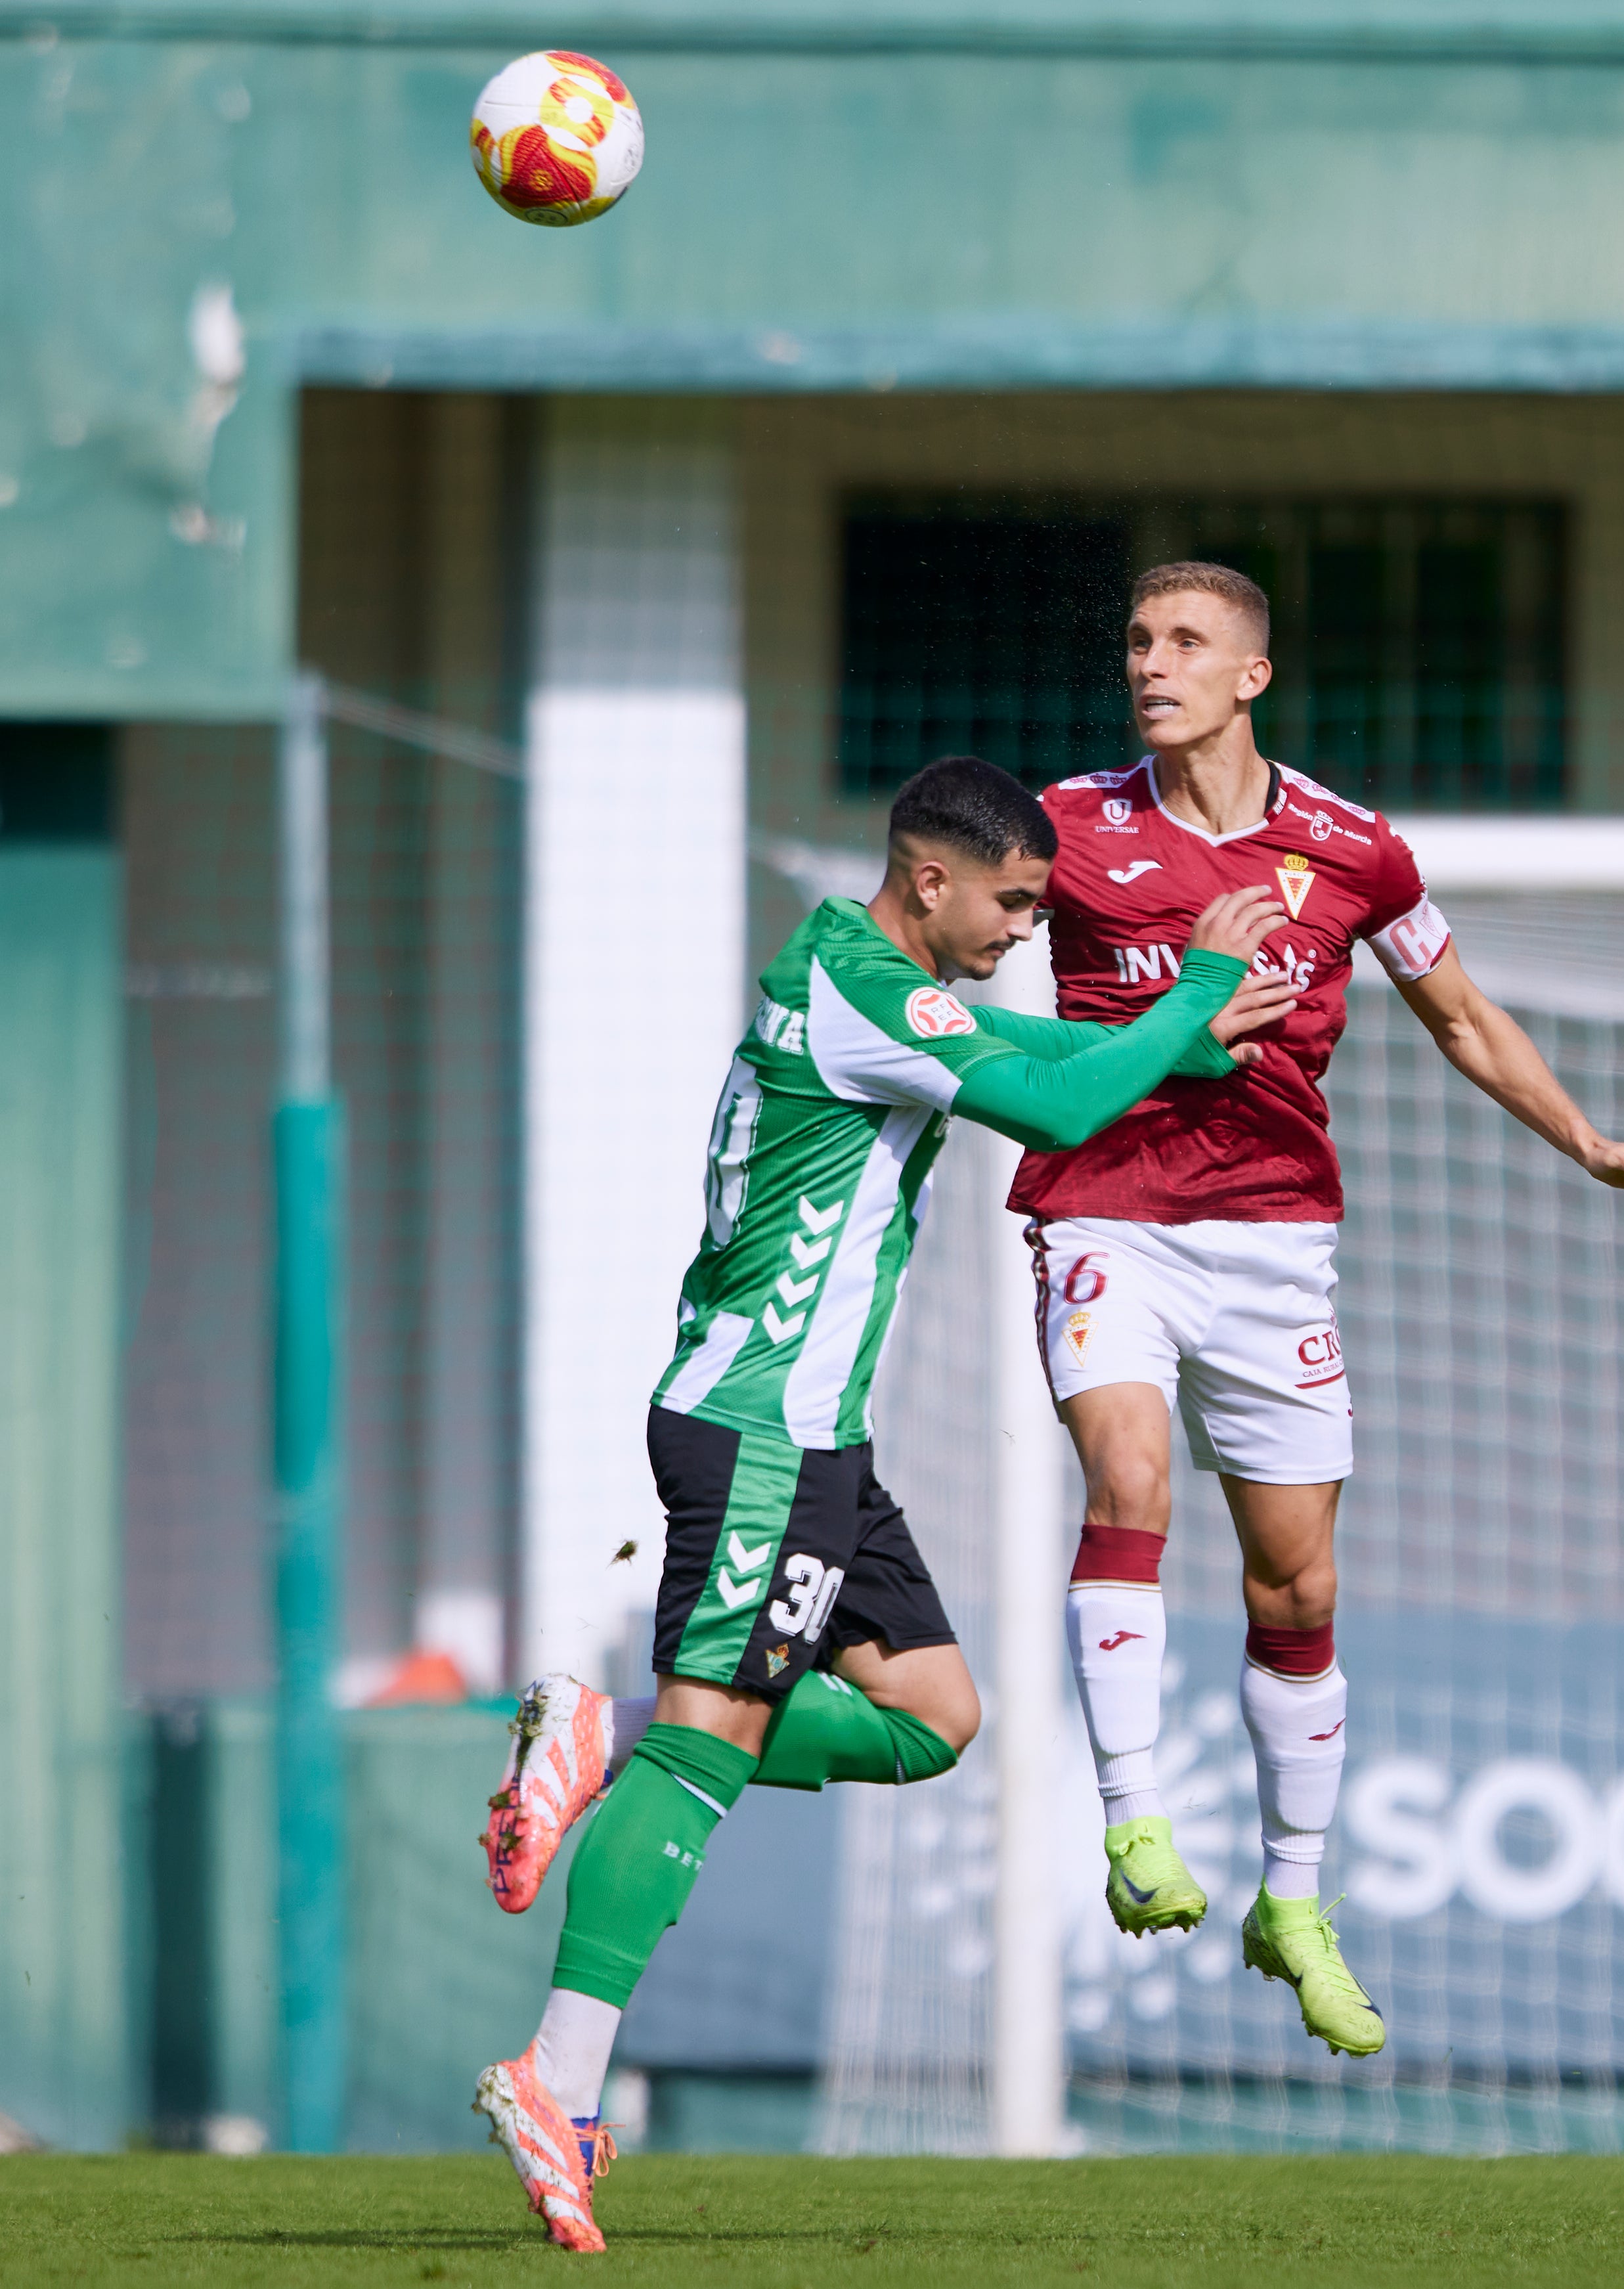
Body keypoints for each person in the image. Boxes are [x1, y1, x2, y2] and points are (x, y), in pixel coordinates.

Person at [470, 755, 1296, 2251]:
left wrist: (1182, 1041)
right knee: (709, 1750)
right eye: (1013, 902)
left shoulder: (863, 974)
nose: (1022, 929)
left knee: (931, 1714)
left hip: (814, 1444)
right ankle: (558, 2074)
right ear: (931, 878)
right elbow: (1048, 1109)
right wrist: (1195, 994)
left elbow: (1021, 1050)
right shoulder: (860, 984)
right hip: (759, 1431)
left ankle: (601, 1747)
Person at [1015, 562, 1624, 2058]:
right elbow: (956, 976)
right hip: (1105, 1210)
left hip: (1274, 1240)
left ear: (1251, 674)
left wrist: (1587, 1139)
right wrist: (1165, 1025)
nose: (1152, 662)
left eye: (1185, 642)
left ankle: (1295, 1901)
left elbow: (1459, 1012)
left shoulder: (1351, 849)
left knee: (1298, 1587)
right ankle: (1134, 1819)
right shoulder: (1062, 827)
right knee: (1127, 1477)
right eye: (1136, 638)